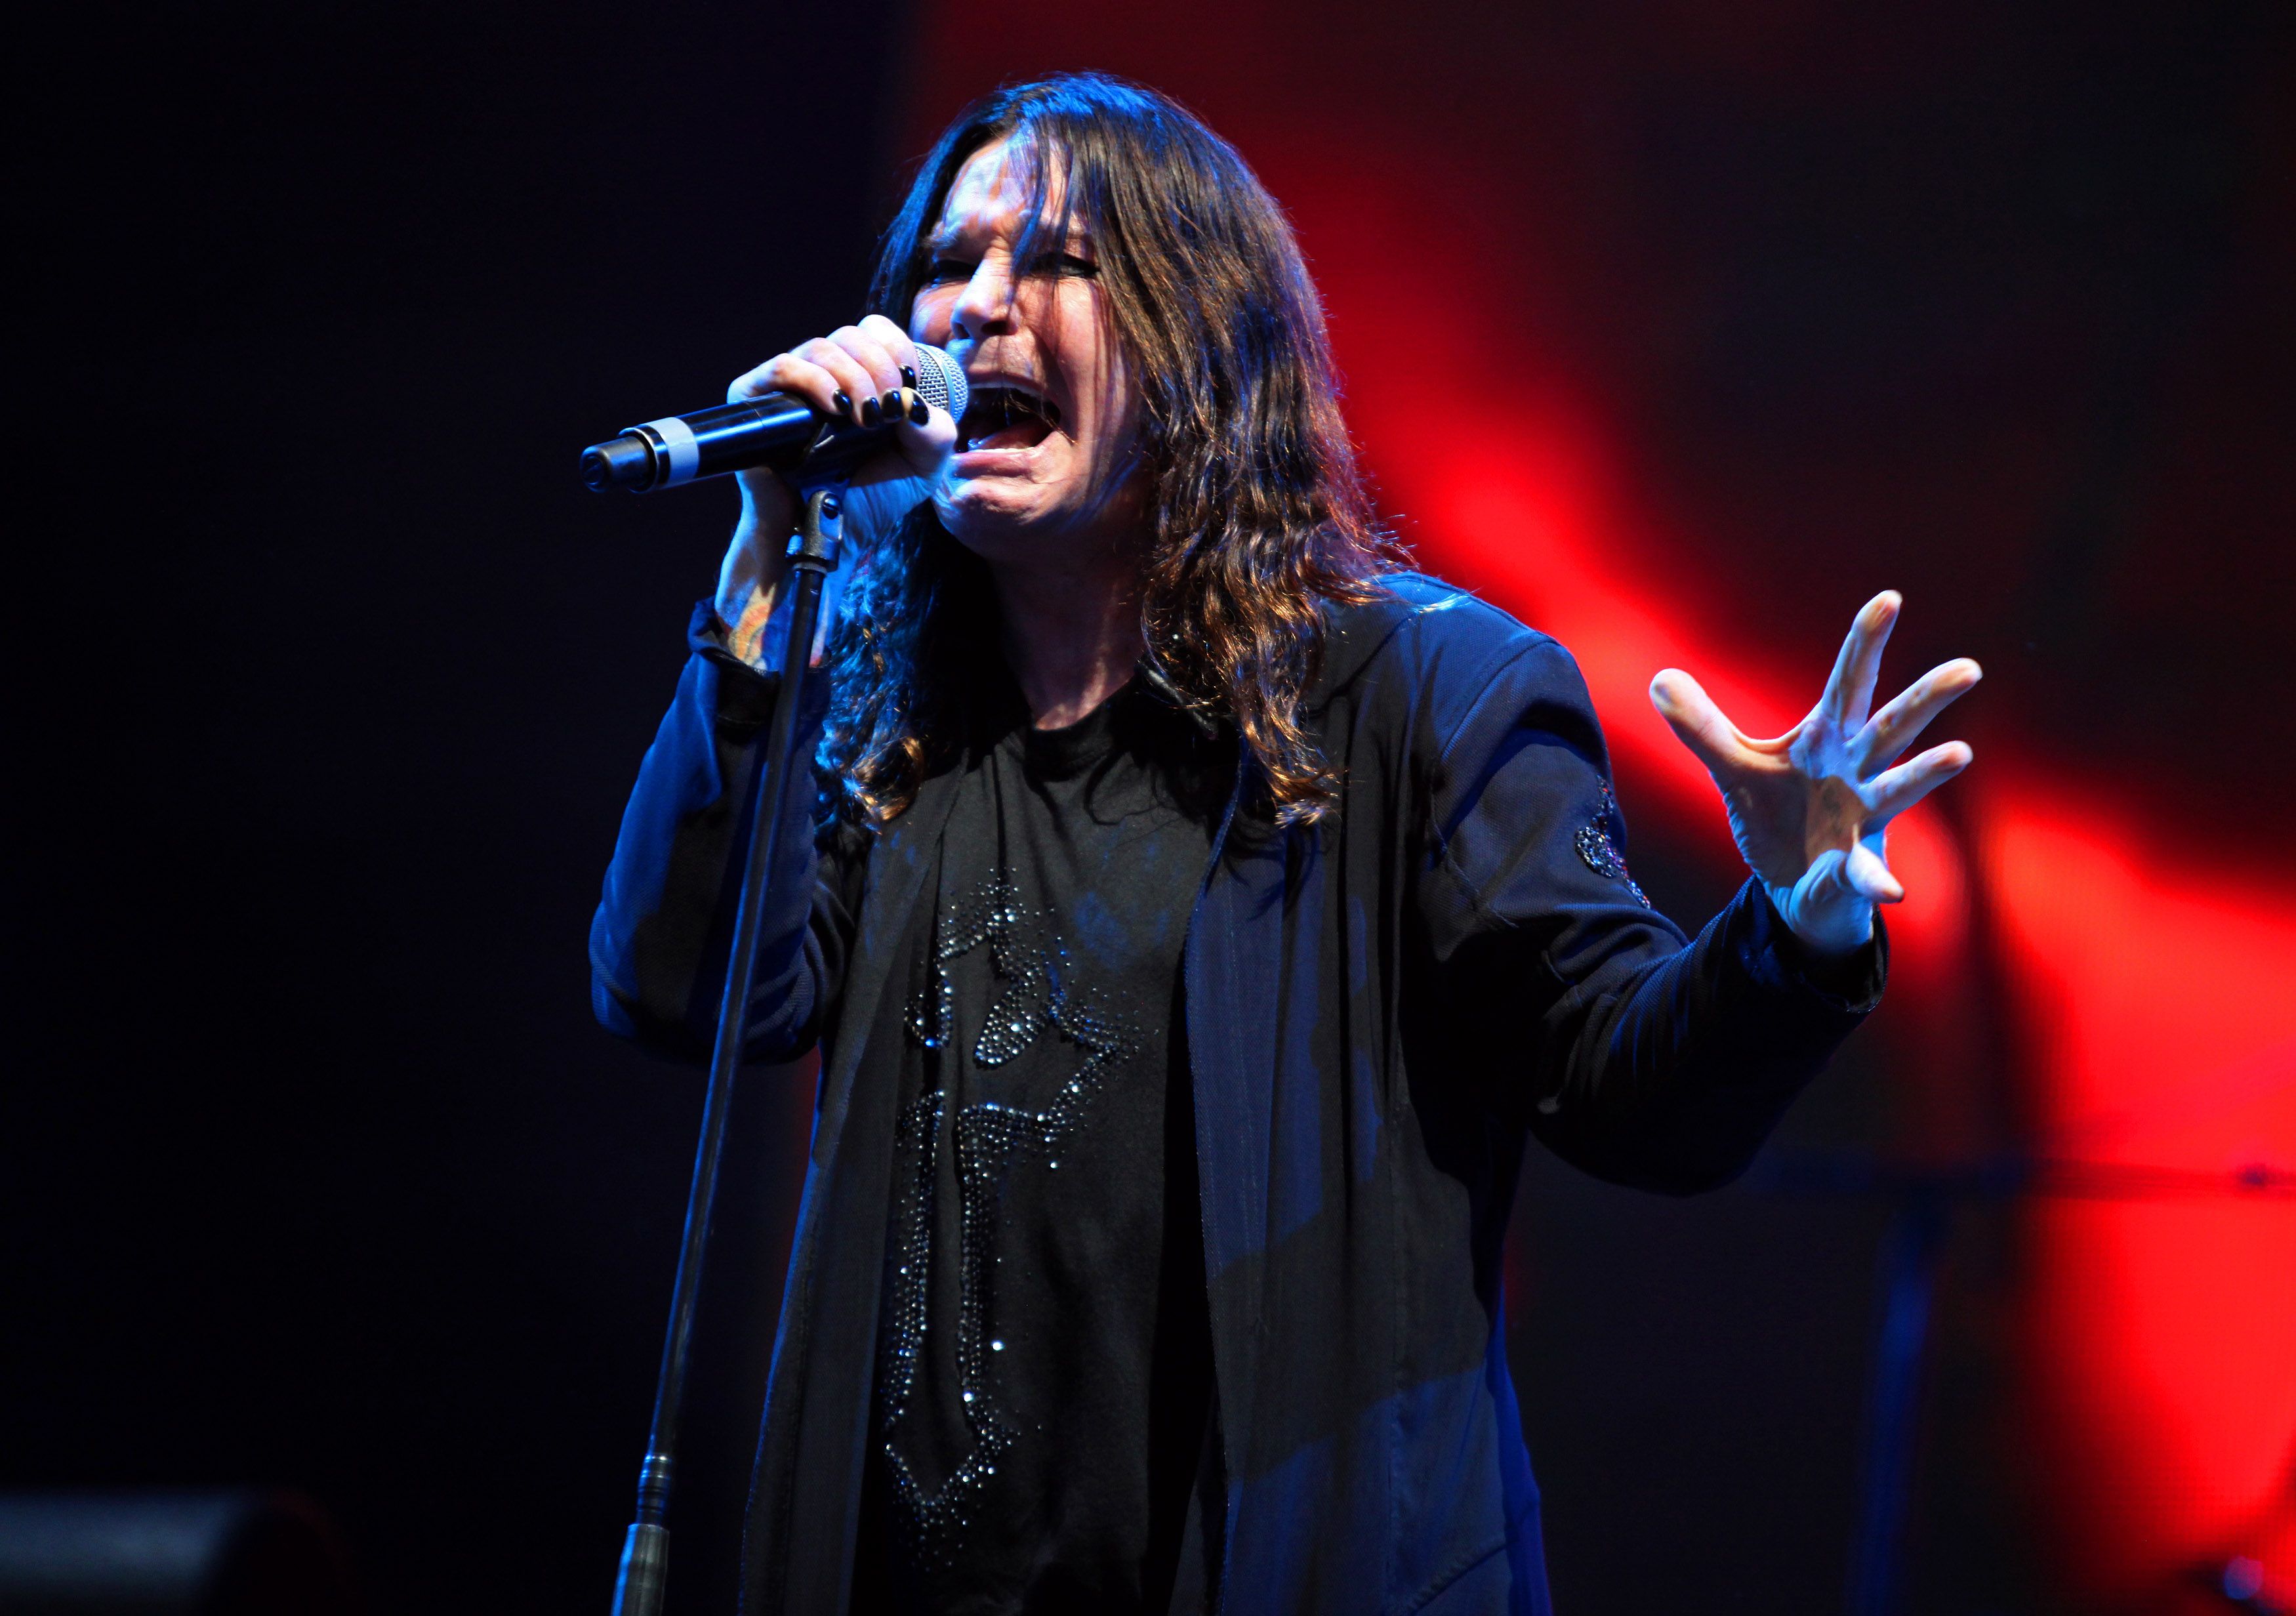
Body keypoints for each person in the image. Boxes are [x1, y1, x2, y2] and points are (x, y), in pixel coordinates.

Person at [590, 72, 1980, 1616]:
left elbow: (1630, 1092)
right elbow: (685, 990)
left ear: (1197, 336)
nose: (974, 307)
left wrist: (1791, 927)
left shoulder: (1417, 694)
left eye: (1053, 259)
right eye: (947, 263)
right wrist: (774, 559)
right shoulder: (886, 719)